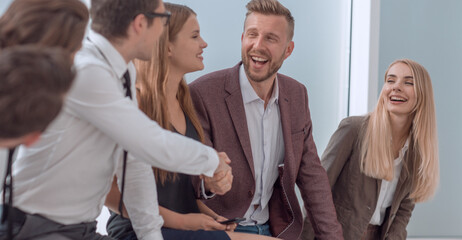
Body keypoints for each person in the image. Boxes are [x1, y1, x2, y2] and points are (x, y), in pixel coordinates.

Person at [4, 0, 232, 239]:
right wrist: (211, 161)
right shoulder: (89, 71)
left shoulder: (123, 72)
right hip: (33, 227)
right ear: (140, 24)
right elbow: (150, 143)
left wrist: (151, 236)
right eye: (163, 20)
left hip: (79, 229)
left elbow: (134, 165)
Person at [105, 3, 278, 240]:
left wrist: (210, 218)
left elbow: (181, 191)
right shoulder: (133, 103)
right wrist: (184, 221)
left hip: (183, 228)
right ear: (167, 46)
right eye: (195, 36)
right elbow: (110, 192)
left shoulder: (185, 102)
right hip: (143, 231)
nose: (204, 43)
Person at [189, 0, 343, 239]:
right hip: (219, 229)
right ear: (242, 38)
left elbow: (312, 176)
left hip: (276, 229)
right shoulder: (203, 93)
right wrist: (210, 181)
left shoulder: (297, 94)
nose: (257, 46)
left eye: (270, 38)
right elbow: (191, 177)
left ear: (288, 49)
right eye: (252, 34)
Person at [302, 59, 439, 240]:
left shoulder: (417, 153)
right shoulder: (354, 129)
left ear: (423, 94)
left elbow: (404, 211)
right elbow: (317, 191)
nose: (396, 87)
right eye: (390, 80)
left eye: (408, 82)